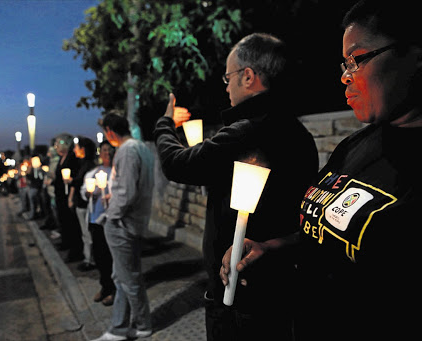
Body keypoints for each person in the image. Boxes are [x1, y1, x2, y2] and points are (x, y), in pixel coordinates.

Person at [220, 1, 422, 340]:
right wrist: (272, 248)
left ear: (414, 55)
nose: (345, 75)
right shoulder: (355, 146)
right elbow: (329, 230)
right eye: (344, 64)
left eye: (357, 59)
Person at [154, 33, 318, 341]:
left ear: (248, 76)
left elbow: (176, 163)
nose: (226, 86)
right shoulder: (299, 135)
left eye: (228, 78)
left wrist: (164, 123)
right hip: (281, 284)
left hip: (238, 291)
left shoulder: (246, 131)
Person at [91, 114, 154, 341]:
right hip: (135, 220)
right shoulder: (143, 149)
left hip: (123, 223)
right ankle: (119, 327)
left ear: (109, 131)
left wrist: (111, 216)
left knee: (129, 278)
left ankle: (141, 324)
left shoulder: (127, 150)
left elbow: (126, 192)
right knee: (123, 276)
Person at [81, 140, 116, 306]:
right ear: (99, 153)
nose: (107, 153)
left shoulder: (117, 172)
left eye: (109, 150)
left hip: (111, 219)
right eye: (104, 150)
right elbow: (84, 193)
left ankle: (114, 290)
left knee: (112, 257)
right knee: (100, 257)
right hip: (96, 219)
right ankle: (105, 287)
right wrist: (88, 192)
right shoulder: (93, 173)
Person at [52, 133, 83, 262]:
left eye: (58, 143)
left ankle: (75, 251)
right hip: (59, 195)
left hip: (68, 196)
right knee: (63, 220)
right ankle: (66, 242)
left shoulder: (71, 158)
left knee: (71, 223)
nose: (56, 146)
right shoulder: (61, 158)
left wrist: (70, 197)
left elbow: (73, 179)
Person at [71, 136, 97, 271]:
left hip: (84, 203)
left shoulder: (88, 166)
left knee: (87, 232)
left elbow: (82, 183)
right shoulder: (82, 164)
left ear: (83, 149)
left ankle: (90, 259)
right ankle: (88, 257)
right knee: (85, 232)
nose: (74, 150)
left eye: (77, 147)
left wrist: (72, 181)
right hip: (81, 203)